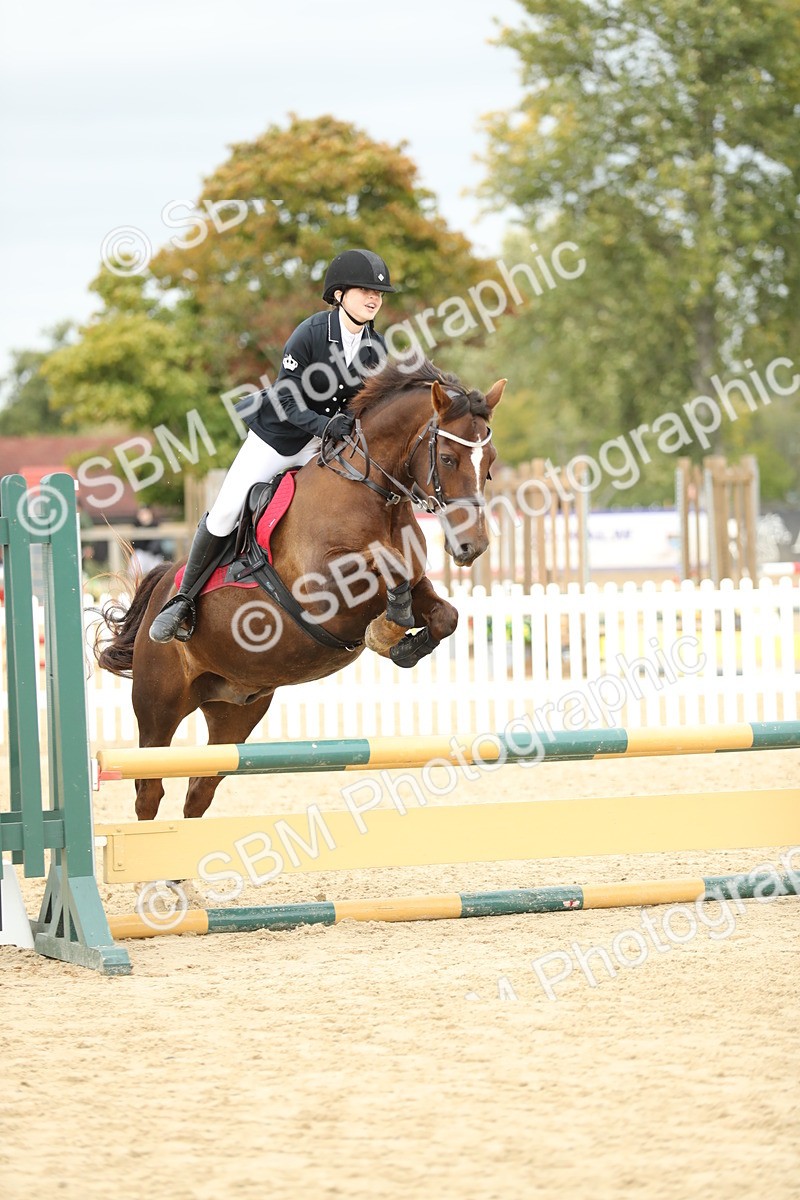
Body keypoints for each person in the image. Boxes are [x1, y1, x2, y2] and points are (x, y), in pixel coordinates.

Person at [149, 248, 394, 643]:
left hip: (324, 447)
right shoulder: (310, 334)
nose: (373, 298)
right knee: (226, 511)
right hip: (279, 438)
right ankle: (182, 600)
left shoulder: (376, 347)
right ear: (339, 295)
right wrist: (325, 425)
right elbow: (286, 401)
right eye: (365, 290)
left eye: (378, 294)